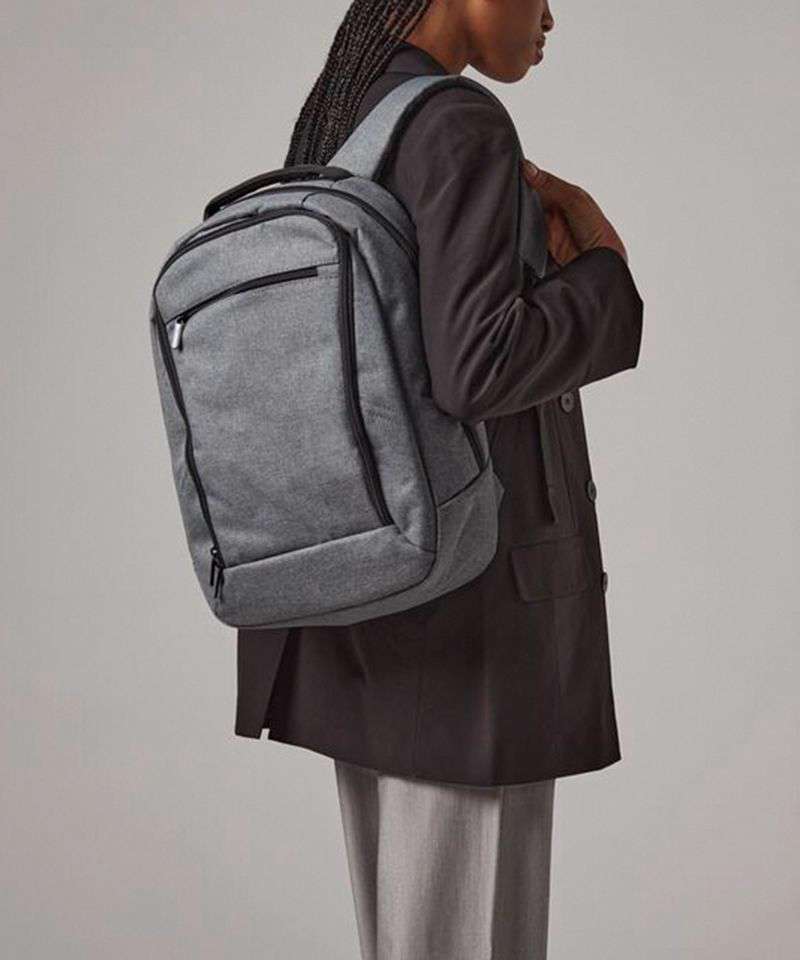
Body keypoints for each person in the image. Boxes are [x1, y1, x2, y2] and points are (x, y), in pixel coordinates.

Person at [236, 1, 644, 957]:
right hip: (469, 614)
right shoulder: (457, 121)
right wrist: (604, 273)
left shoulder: (352, 118)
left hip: (364, 592)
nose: (550, 15)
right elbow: (477, 370)